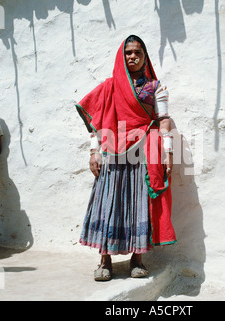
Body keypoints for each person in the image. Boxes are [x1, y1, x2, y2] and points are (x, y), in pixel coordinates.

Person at [75, 35, 177, 281]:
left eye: (137, 53)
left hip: (143, 154)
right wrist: (94, 151)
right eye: (128, 52)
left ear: (144, 57)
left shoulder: (156, 87)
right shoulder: (110, 87)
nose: (132, 56)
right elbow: (94, 123)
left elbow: (163, 120)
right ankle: (105, 261)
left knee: (139, 205)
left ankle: (137, 260)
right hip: (112, 152)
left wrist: (168, 151)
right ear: (123, 56)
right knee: (109, 203)